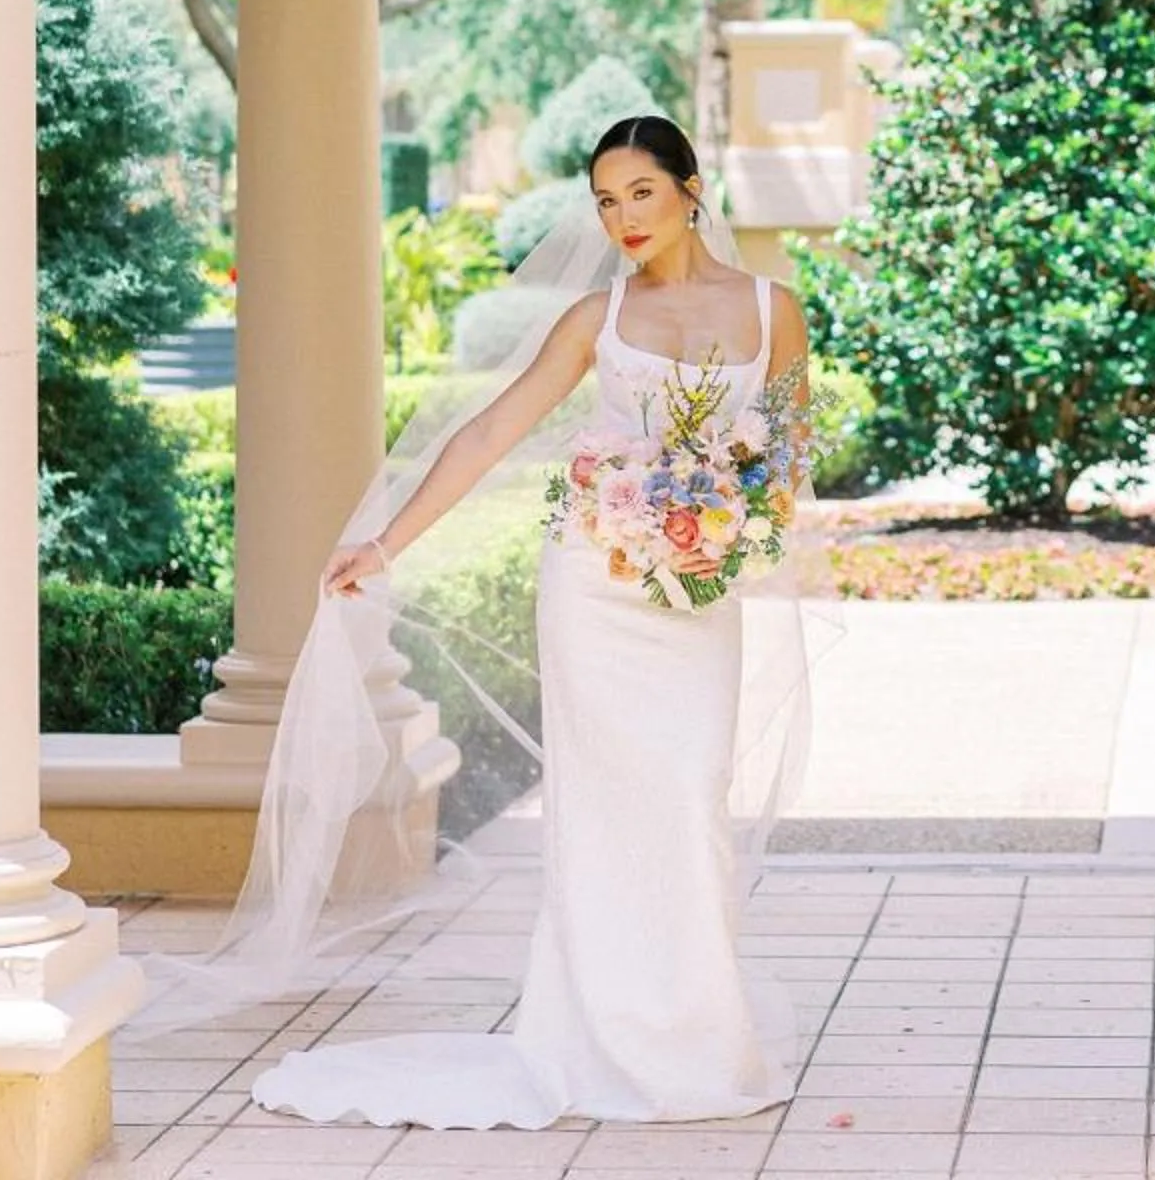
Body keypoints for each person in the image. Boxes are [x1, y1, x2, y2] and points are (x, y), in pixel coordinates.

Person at [241, 112, 817, 1129]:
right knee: (599, 811)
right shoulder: (593, 319)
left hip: (697, 595)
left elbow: (786, 461)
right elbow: (493, 427)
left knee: (689, 796)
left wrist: (723, 522)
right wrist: (384, 541)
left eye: (640, 191)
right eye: (604, 199)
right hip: (595, 589)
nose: (621, 216)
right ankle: (595, 1038)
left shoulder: (776, 311)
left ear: (690, 189)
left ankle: (695, 1039)